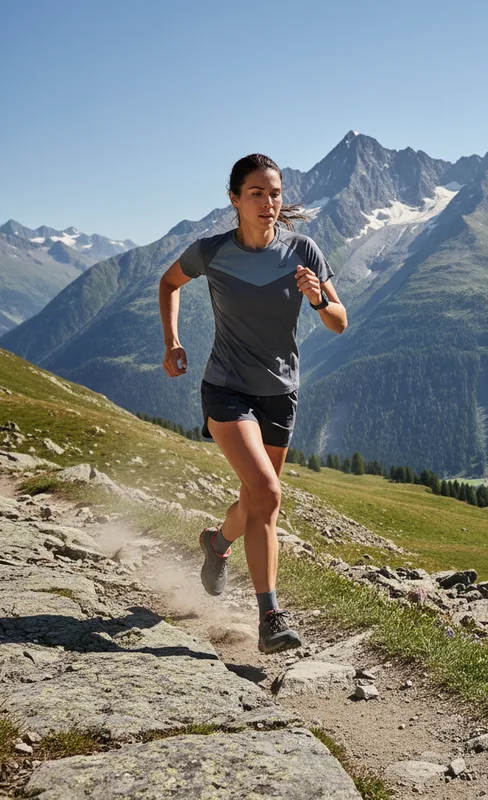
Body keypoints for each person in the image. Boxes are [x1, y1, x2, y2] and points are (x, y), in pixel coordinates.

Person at [158, 153, 347, 654]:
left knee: (256, 500)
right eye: (257, 194)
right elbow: (169, 283)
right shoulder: (212, 251)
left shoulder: (303, 250)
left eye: (275, 193)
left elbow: (339, 322)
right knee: (267, 492)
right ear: (235, 199)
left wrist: (319, 300)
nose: (268, 203)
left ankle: (216, 544)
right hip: (226, 388)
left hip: (280, 393)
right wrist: (172, 341)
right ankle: (270, 617)